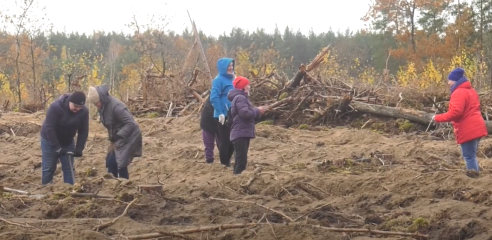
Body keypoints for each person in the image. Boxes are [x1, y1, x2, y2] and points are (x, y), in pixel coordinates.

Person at [433, 68, 488, 178]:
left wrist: (437, 118)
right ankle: (476, 176)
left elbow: (456, 113)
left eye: (450, 80)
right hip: (478, 126)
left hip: (468, 128)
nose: (448, 83)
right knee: (471, 155)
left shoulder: (458, 92)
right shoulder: (471, 91)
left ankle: (474, 179)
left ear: (455, 80)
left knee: (468, 156)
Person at [87, 85, 142, 179]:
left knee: (120, 162)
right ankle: (112, 184)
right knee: (110, 162)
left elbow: (130, 123)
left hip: (130, 135)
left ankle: (125, 186)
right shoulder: (103, 107)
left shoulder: (116, 107)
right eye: (94, 104)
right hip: (118, 136)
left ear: (102, 97)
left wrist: (118, 135)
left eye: (97, 103)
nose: (96, 106)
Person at [40, 91, 89, 185]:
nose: (78, 109)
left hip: (68, 141)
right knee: (49, 167)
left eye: (80, 107)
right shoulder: (56, 107)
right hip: (49, 139)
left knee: (69, 167)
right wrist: (57, 148)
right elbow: (49, 128)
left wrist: (79, 148)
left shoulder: (84, 112)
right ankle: (45, 190)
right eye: (75, 106)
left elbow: (83, 131)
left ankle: (69, 190)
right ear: (70, 101)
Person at [227, 76, 265, 174]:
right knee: (241, 162)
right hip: (240, 134)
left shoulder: (240, 98)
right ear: (242, 87)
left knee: (240, 160)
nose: (249, 87)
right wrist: (257, 111)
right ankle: (237, 181)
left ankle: (236, 180)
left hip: (241, 133)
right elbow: (245, 113)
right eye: (247, 85)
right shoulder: (240, 98)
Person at [210, 57, 236, 167]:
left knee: (234, 140)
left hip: (233, 114)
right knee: (226, 140)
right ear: (223, 68)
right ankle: (224, 164)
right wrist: (220, 112)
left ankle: (227, 160)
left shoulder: (232, 79)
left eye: (231, 65)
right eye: (228, 66)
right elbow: (214, 97)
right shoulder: (218, 80)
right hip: (222, 115)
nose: (231, 68)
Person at [200, 95, 220, 163]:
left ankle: (225, 158)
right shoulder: (214, 97)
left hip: (220, 121)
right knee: (209, 143)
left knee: (222, 143)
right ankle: (209, 159)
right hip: (207, 122)